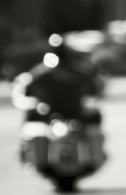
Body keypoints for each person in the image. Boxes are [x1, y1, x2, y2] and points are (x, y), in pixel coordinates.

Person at [12, 35, 106, 167]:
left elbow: (26, 89)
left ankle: (23, 150)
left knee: (30, 114)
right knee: (95, 114)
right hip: (72, 115)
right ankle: (24, 149)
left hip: (53, 115)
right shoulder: (79, 72)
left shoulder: (42, 72)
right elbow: (96, 89)